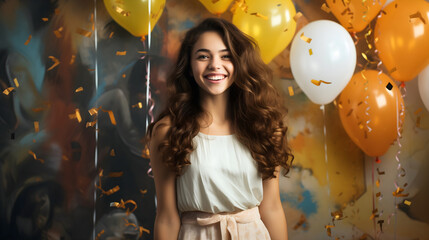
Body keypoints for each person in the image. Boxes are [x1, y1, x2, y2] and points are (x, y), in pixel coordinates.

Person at [146, 17, 293, 240]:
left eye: (226, 56)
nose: (215, 65)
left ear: (239, 63)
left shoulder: (262, 126)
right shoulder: (168, 131)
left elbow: (271, 208)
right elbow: (167, 217)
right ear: (189, 65)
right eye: (203, 56)